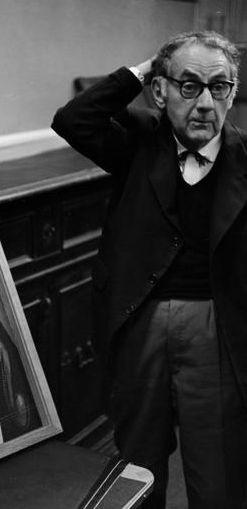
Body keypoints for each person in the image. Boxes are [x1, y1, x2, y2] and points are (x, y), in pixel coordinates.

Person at [51, 31, 247, 509]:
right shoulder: (137, 141)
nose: (204, 103)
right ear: (159, 92)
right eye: (188, 86)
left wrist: (182, 71)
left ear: (233, 94)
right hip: (139, 319)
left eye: (219, 87)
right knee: (138, 462)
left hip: (214, 324)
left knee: (217, 463)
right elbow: (73, 119)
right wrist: (147, 68)